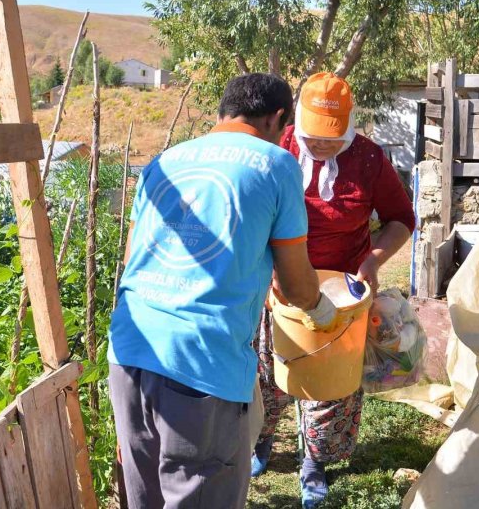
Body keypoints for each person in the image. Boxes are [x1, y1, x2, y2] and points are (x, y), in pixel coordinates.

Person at [108, 73, 343, 509]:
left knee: (145, 495)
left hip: (129, 352)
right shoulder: (277, 165)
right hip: (200, 364)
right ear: (278, 118)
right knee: (202, 495)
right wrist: (322, 309)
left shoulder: (164, 160)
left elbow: (131, 263)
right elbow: (293, 283)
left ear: (224, 111)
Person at [251, 72, 416, 508]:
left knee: (331, 382)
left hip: (342, 292)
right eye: (313, 135)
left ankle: (315, 461)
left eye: (333, 137)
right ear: (295, 120)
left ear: (349, 126)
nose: (322, 145)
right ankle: (260, 441)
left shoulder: (367, 159)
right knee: (269, 372)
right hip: (279, 286)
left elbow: (401, 218)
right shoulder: (276, 149)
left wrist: (373, 260)